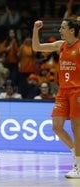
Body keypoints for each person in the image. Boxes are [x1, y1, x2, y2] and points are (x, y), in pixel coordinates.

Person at [32, 17, 80, 178]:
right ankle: (76, 152)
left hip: (77, 91)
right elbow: (36, 47)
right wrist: (35, 30)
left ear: (72, 30)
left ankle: (78, 166)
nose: (59, 30)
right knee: (56, 126)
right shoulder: (61, 45)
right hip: (63, 91)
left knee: (76, 128)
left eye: (63, 28)